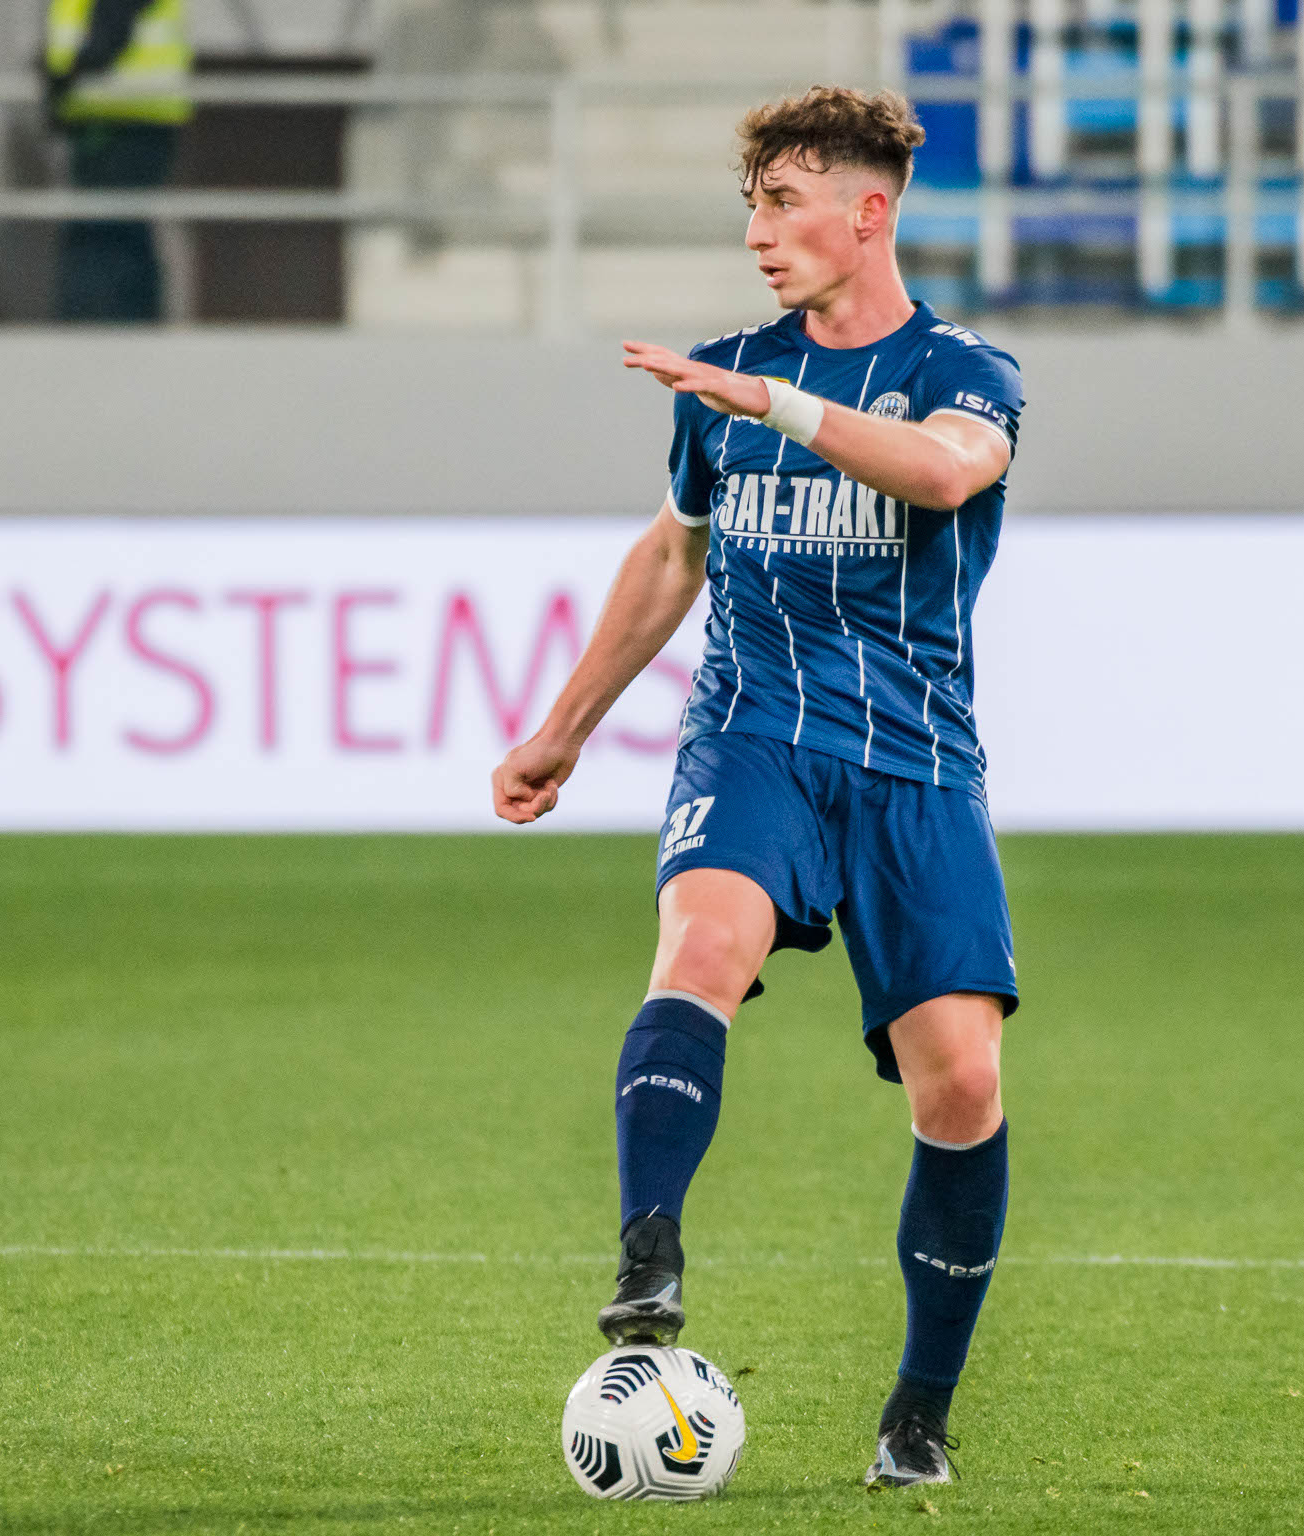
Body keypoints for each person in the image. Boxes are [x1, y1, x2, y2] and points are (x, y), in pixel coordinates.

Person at [489, 86, 1024, 1489]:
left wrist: (779, 402)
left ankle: (918, 1410)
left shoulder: (965, 373)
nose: (758, 235)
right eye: (752, 206)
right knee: (702, 945)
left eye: (784, 205)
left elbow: (944, 477)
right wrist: (564, 726)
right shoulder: (721, 376)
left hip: (915, 762)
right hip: (754, 736)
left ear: (870, 213)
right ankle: (647, 1256)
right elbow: (674, 558)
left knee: (961, 1079)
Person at [42, 0, 193, 321]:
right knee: (119, 229)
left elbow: (113, 20)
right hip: (118, 113)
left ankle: (101, 330)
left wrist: (72, 74)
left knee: (106, 232)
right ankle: (124, 327)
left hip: (121, 113)